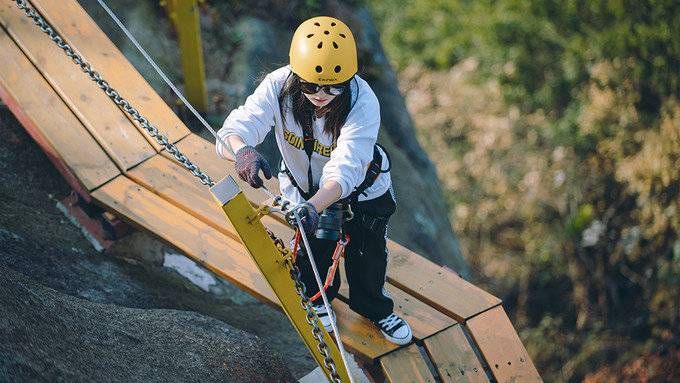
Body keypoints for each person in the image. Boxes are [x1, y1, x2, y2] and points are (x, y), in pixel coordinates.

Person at [215, 16, 412, 345]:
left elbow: (346, 168)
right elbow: (235, 128)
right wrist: (243, 152)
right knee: (313, 250)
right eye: (310, 85)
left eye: (334, 86)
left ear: (348, 79)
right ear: (296, 75)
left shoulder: (362, 103)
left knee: (368, 254)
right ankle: (318, 299)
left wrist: (312, 206)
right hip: (305, 189)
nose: (322, 95)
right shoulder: (278, 87)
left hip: (362, 192)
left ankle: (375, 309)